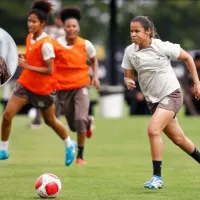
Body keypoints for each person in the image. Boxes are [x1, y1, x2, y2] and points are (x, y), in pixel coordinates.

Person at [121, 16, 200, 189]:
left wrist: (197, 83)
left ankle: (157, 177)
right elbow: (128, 75)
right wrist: (128, 81)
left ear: (148, 31)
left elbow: (188, 58)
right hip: (154, 101)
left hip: (172, 95)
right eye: (131, 31)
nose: (133, 35)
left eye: (137, 31)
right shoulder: (130, 51)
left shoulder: (162, 46)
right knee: (179, 139)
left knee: (153, 129)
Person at [0, 0, 76, 166]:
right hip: (25, 84)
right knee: (6, 116)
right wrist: (24, 59)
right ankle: (3, 149)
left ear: (42, 23)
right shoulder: (30, 38)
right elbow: (35, 58)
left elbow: (49, 69)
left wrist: (26, 65)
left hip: (43, 89)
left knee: (50, 122)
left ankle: (69, 144)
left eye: (34, 21)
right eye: (29, 21)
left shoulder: (47, 44)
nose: (30, 24)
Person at [53, 8, 100, 164]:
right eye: (68, 26)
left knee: (80, 119)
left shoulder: (86, 44)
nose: (71, 29)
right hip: (62, 89)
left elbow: (93, 60)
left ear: (78, 28)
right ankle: (89, 121)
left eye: (74, 26)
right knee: (73, 126)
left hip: (81, 86)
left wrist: (95, 77)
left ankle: (80, 156)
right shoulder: (56, 45)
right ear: (64, 28)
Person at [30, 11, 65, 128]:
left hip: (59, 67)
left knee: (58, 94)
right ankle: (38, 119)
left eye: (60, 19)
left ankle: (55, 118)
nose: (58, 21)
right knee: (41, 91)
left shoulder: (66, 32)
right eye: (57, 19)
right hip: (47, 64)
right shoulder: (49, 30)